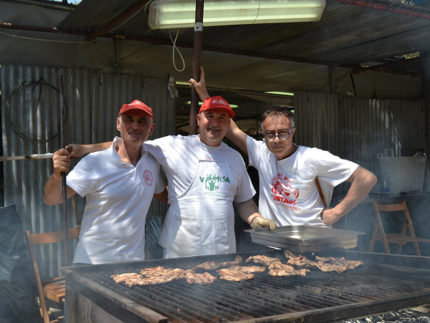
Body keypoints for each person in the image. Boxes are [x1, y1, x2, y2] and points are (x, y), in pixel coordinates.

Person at [67, 96, 276, 259]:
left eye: (222, 117)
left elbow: (244, 201)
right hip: (182, 252)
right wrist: (86, 149)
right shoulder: (175, 145)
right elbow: (130, 141)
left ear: (228, 123)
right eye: (210, 116)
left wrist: (255, 218)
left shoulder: (235, 158)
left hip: (223, 249)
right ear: (198, 119)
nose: (215, 122)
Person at [190, 68, 377, 227]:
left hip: (311, 244)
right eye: (270, 134)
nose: (276, 140)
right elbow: (232, 130)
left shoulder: (313, 157)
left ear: (292, 132)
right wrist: (205, 96)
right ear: (264, 135)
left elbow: (366, 178)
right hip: (273, 244)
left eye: (283, 133)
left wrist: (336, 213)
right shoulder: (262, 152)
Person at [43, 100, 167, 264]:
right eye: (128, 119)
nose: (135, 126)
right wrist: (57, 174)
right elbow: (52, 199)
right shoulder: (95, 163)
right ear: (118, 124)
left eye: (141, 121)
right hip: (92, 263)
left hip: (132, 263)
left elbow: (164, 195)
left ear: (151, 129)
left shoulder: (151, 163)